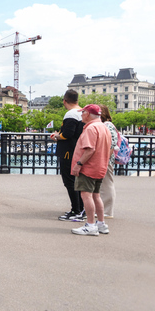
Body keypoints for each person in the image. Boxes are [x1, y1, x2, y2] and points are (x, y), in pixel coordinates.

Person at [70, 104, 112, 236]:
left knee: (86, 196)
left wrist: (79, 164)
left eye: (82, 113)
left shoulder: (91, 128)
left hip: (88, 167)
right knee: (96, 196)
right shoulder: (104, 127)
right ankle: (101, 223)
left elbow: (90, 149)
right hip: (100, 166)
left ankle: (90, 225)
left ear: (87, 114)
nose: (81, 115)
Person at [50, 90, 84, 222]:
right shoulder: (83, 113)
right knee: (78, 182)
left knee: (69, 182)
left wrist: (57, 136)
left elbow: (68, 134)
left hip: (68, 152)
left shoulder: (71, 114)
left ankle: (75, 210)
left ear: (65, 101)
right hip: (78, 150)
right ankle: (81, 209)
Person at [99, 105, 119, 218]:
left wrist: (105, 159)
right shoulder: (107, 125)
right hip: (106, 159)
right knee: (105, 185)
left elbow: (112, 143)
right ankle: (105, 210)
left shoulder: (107, 125)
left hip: (106, 159)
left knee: (107, 184)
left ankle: (107, 211)